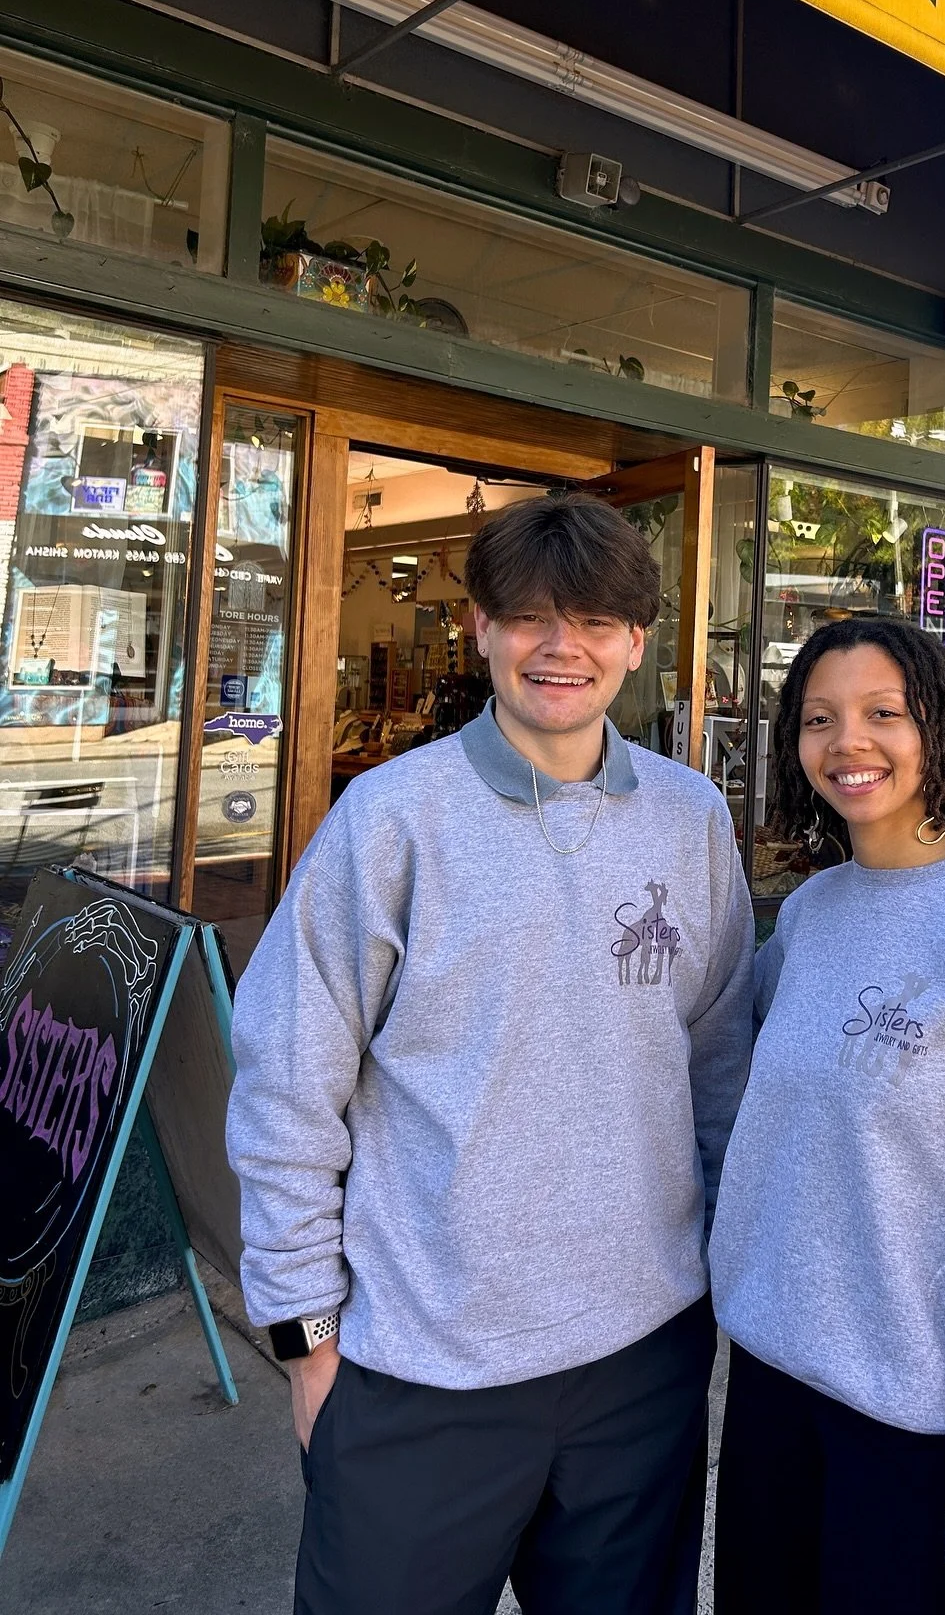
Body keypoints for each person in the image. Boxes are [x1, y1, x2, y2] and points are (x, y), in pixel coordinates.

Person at [227, 492, 754, 1615]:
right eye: (528, 617)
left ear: (637, 643)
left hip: (643, 1359)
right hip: (420, 1367)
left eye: (595, 621)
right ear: (480, 628)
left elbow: (718, 1074)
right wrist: (304, 1337)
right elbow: (286, 1084)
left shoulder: (692, 819)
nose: (561, 647)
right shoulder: (389, 819)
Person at [709, 616, 945, 1614]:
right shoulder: (807, 913)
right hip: (767, 1397)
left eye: (885, 713)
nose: (850, 744)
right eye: (821, 719)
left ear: (939, 726)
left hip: (913, 1431)